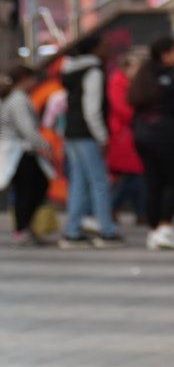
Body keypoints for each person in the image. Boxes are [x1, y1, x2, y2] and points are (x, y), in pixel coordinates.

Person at [57, 33, 124, 248]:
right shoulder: (94, 71)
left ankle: (72, 230)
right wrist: (102, 137)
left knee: (78, 182)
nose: (108, 49)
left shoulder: (71, 70)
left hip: (72, 133)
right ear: (94, 49)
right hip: (87, 134)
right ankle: (106, 230)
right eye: (104, 45)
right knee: (99, 182)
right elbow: (92, 109)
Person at [128, 36, 174, 250]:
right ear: (165, 54)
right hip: (168, 136)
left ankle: (154, 229)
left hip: (143, 136)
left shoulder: (143, 75)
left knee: (153, 183)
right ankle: (165, 227)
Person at [1, 64, 54, 245]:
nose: (35, 82)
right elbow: (27, 129)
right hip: (21, 151)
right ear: (24, 79)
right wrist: (44, 145)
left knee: (30, 188)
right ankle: (22, 229)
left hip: (17, 150)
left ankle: (24, 227)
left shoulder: (13, 97)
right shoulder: (18, 99)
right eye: (33, 78)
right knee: (30, 189)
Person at [106, 50, 146, 229]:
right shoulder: (118, 82)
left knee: (134, 175)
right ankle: (116, 207)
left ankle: (139, 212)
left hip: (128, 134)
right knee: (132, 175)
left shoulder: (127, 82)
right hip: (123, 135)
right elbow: (122, 109)